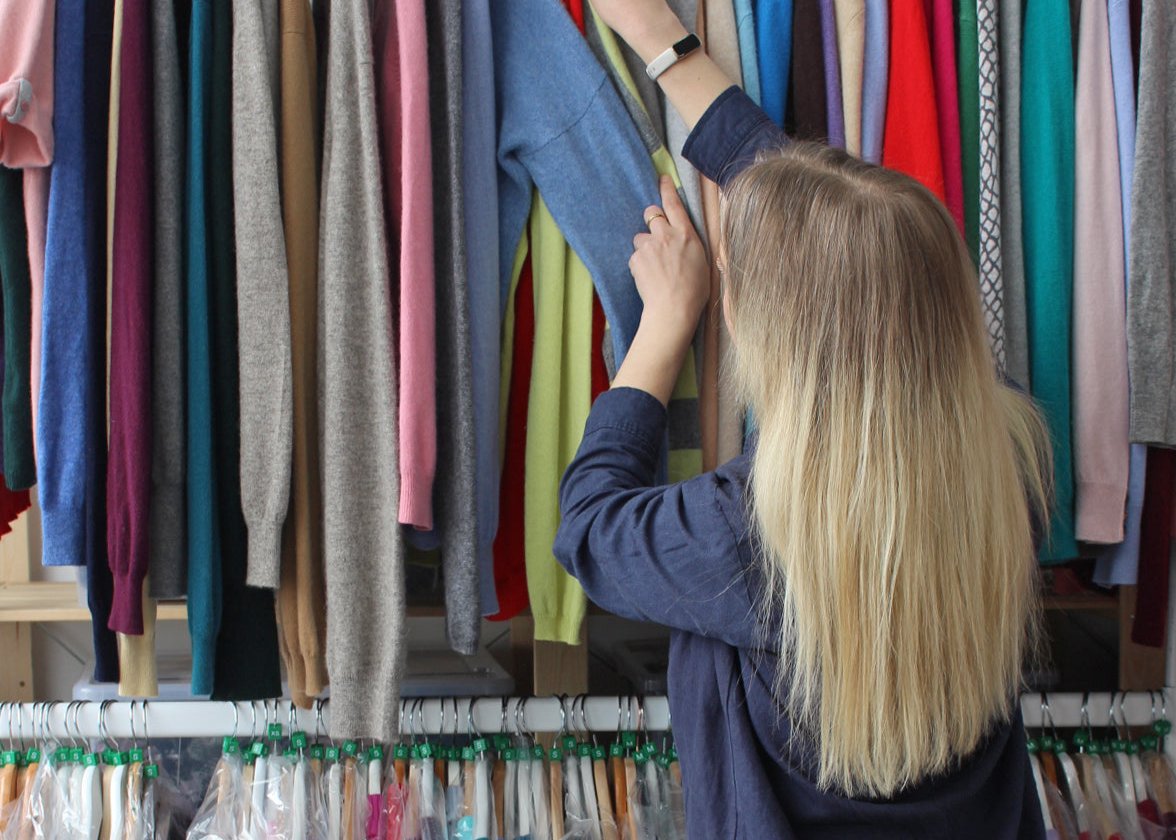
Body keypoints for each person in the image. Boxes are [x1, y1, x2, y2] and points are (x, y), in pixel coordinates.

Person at [551, 2, 1052, 837]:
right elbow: (846, 249)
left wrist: (666, 325)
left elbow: (590, 527)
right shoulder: (1005, 470)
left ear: (769, 335)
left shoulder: (743, 537)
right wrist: (662, 42)